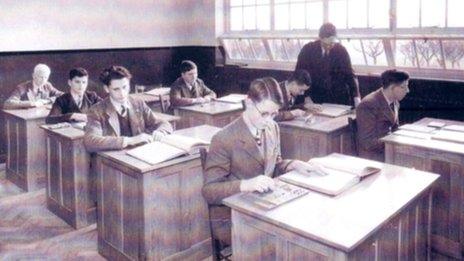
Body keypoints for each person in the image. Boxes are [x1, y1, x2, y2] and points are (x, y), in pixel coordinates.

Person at [202, 77, 326, 245]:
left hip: (264, 206)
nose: (269, 120)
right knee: (286, 241)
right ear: (249, 103)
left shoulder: (272, 127)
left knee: (305, 229)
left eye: (274, 113)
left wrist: (294, 164)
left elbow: (274, 165)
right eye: (265, 113)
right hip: (232, 216)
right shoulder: (223, 138)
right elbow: (210, 191)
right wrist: (246, 185)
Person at [84, 65, 173, 152]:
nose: (122, 93)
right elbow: (91, 142)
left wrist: (161, 131)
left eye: (125, 87)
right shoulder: (96, 111)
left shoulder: (138, 103)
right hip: (112, 160)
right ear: (107, 89)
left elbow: (163, 123)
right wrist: (130, 140)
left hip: (139, 154)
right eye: (116, 89)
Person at [295, 23, 360, 107]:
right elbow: (299, 75)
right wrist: (306, 96)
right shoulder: (308, 50)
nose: (329, 46)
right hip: (315, 97)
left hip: (339, 98)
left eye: (332, 43)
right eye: (326, 44)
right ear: (320, 38)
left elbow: (350, 75)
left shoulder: (341, 50)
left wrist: (356, 97)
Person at [356, 69, 410, 162]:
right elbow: (367, 143)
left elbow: (394, 128)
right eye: (404, 87)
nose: (407, 90)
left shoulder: (395, 101)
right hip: (374, 157)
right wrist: (393, 143)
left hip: (388, 150)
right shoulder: (368, 104)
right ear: (392, 87)